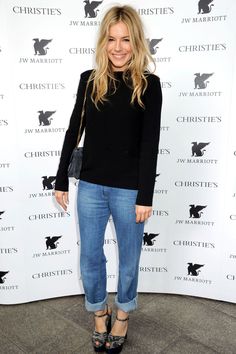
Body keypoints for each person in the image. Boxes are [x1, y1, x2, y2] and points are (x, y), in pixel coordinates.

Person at [54, 5, 162, 353]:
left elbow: (150, 144)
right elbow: (74, 131)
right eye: (112, 39)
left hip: (130, 190)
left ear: (136, 42)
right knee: (89, 256)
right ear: (104, 41)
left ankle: (123, 314)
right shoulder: (90, 79)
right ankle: (99, 311)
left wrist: (145, 195)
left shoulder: (149, 84)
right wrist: (59, 181)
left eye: (126, 39)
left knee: (129, 259)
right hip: (90, 186)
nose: (118, 47)